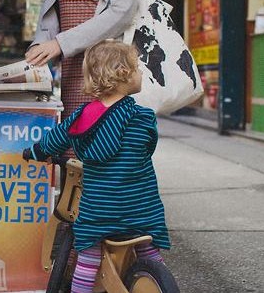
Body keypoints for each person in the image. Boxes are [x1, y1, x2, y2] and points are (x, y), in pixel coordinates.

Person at [23, 41, 170, 293]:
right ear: (122, 72)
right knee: (149, 248)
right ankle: (159, 280)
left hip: (100, 213)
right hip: (143, 209)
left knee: (88, 258)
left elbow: (53, 141)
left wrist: (34, 152)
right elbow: (149, 148)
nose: (141, 73)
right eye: (137, 68)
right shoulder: (144, 117)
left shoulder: (82, 118)